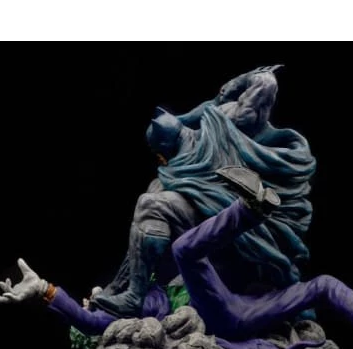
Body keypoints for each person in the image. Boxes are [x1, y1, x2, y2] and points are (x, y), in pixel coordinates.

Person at [0, 169, 353, 349]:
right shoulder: (137, 310)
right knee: (186, 250)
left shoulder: (143, 285)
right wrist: (45, 290)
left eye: (94, 296)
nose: (94, 296)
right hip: (221, 317)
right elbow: (88, 322)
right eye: (92, 300)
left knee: (324, 284)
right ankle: (250, 209)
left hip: (246, 310)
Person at [91, 65, 318, 319]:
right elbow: (138, 240)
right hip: (210, 232)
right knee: (151, 203)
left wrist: (236, 84)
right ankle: (130, 292)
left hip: (246, 226)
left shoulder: (224, 122)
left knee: (151, 204)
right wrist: (115, 287)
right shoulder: (172, 171)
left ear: (162, 151)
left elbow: (266, 82)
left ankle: (134, 295)